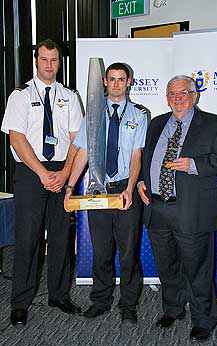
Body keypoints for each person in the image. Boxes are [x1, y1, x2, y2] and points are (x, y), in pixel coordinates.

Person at [138, 75, 217, 342]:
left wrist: (193, 164)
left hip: (191, 210)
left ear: (195, 95)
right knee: (166, 266)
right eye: (172, 93)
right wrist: (143, 181)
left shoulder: (214, 123)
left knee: (197, 269)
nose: (178, 97)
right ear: (166, 97)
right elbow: (148, 157)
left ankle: (205, 319)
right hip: (157, 208)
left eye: (184, 92)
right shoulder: (156, 123)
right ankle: (173, 308)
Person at [1, 39, 83, 326]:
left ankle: (59, 295)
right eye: (44, 59)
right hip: (29, 173)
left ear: (60, 62)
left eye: (54, 60)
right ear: (36, 61)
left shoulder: (70, 97)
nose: (49, 65)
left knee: (61, 236)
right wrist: (41, 173)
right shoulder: (20, 95)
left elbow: (77, 139)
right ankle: (20, 302)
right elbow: (16, 138)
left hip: (61, 170)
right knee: (27, 239)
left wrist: (64, 173)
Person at [65, 62, 148, 325]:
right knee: (101, 251)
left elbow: (136, 155)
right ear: (104, 81)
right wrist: (69, 186)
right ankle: (100, 301)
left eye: (121, 79)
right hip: (97, 190)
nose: (116, 84)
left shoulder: (139, 115)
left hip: (124, 190)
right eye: (111, 79)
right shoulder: (93, 115)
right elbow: (83, 154)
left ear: (129, 82)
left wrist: (130, 188)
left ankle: (128, 305)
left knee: (127, 253)